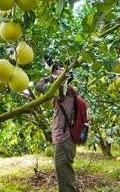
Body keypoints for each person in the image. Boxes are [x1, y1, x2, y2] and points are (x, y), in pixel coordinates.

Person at [35, 61, 79, 192]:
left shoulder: (64, 91)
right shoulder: (67, 91)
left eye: (59, 71)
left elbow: (38, 85)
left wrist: (51, 77)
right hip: (66, 140)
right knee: (67, 179)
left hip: (64, 141)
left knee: (66, 184)